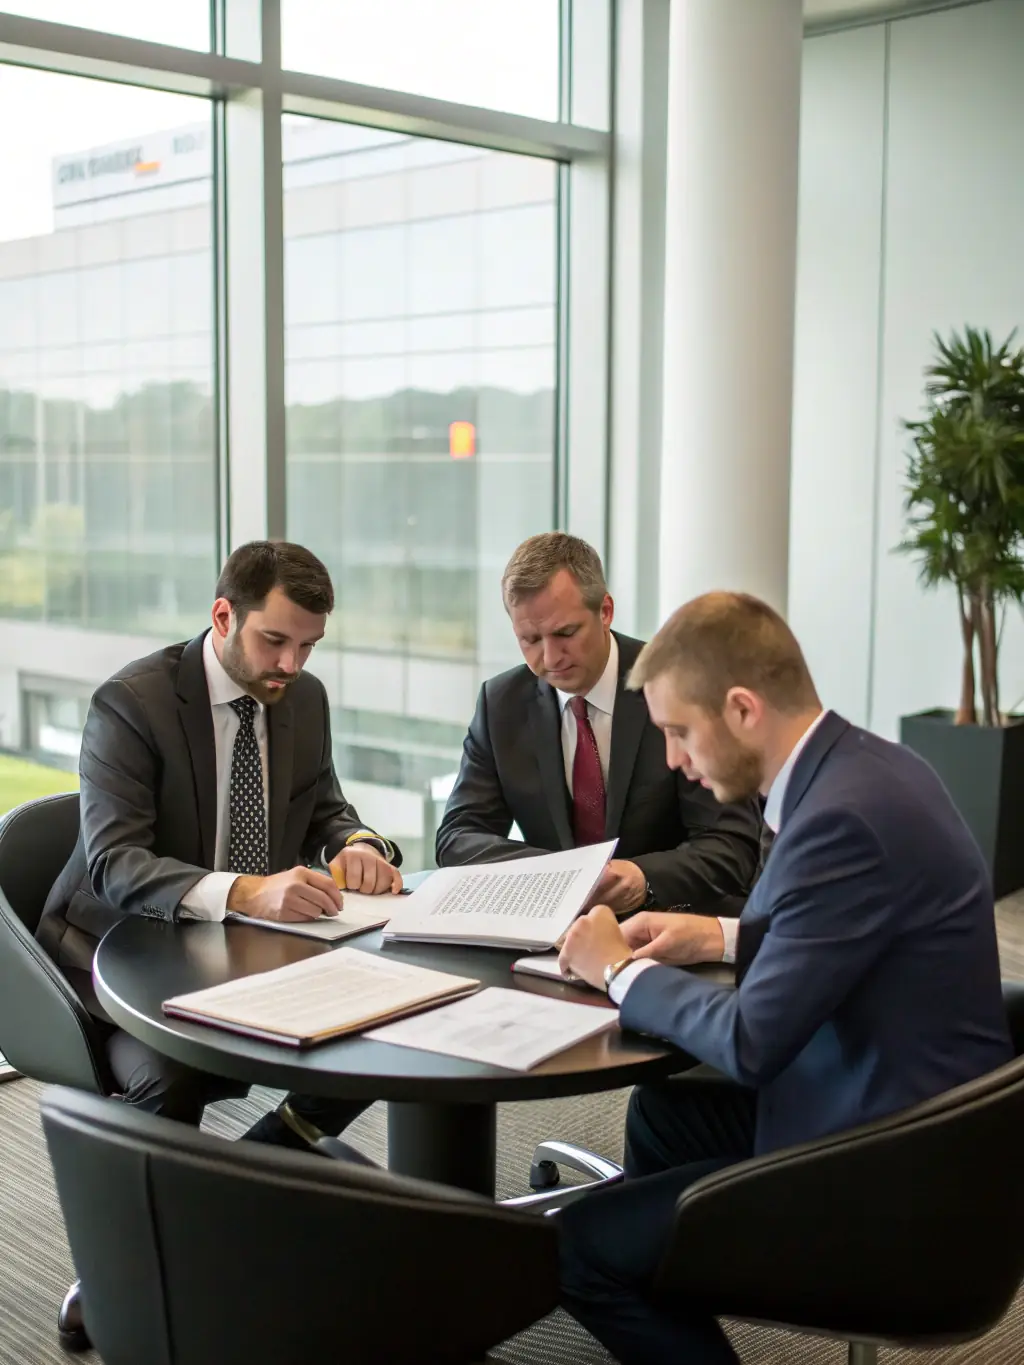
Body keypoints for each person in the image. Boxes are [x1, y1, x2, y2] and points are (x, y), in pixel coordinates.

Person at [556, 591, 1012, 1365]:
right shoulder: (865, 767)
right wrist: (721, 934)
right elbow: (851, 926)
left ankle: (670, 1269)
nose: (673, 758)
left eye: (678, 731)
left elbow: (752, 1040)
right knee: (663, 1114)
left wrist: (619, 970)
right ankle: (683, 1266)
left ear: (740, 708)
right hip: (913, 1116)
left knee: (573, 1247)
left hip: (889, 1173)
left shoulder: (840, 820)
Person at [39, 540, 403, 1152]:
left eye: (309, 646)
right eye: (275, 641)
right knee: (173, 1078)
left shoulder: (303, 698)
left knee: (377, 1027)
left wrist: (358, 843)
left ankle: (264, 1163)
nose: (292, 664)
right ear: (223, 617)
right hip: (119, 947)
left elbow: (323, 809)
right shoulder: (131, 705)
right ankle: (165, 1231)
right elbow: (113, 863)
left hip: (240, 946)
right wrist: (248, 892)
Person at [436, 533, 759, 918]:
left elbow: (733, 845)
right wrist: (560, 877)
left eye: (565, 633)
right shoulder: (500, 703)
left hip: (673, 928)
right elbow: (457, 837)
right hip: (555, 933)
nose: (551, 657)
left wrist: (642, 879)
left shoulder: (682, 686)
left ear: (605, 611)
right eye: (530, 639)